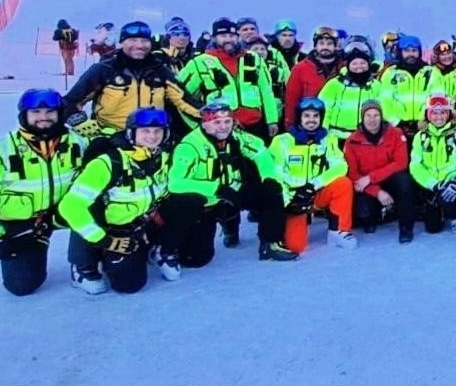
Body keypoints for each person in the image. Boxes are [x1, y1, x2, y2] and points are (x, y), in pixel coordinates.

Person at [0, 89, 87, 296]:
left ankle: (85, 263)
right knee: (21, 285)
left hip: (63, 212)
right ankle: (37, 241)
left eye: (50, 111)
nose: (43, 117)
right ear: (24, 115)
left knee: (97, 207)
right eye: (36, 112)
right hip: (24, 219)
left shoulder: (77, 142)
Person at [154, 101, 296, 279]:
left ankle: (271, 242)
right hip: (206, 202)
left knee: (271, 189)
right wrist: (216, 188)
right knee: (197, 259)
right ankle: (164, 244)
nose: (223, 127)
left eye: (227, 122)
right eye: (217, 123)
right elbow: (175, 183)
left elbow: (259, 150)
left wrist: (268, 176)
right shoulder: (189, 146)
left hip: (234, 192)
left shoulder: (236, 136)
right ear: (205, 123)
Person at [59, 108, 171, 295]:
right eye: (145, 131)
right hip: (110, 230)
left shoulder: (163, 158)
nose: (152, 136)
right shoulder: (109, 162)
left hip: (139, 222)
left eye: (158, 131)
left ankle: (146, 248)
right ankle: (83, 264)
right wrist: (105, 241)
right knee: (128, 285)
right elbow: (70, 206)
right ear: (131, 133)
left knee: (133, 281)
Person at [64, 21, 202, 139]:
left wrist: (214, 115)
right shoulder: (104, 70)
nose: (140, 45)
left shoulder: (160, 71)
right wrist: (78, 120)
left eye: (144, 40)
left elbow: (184, 100)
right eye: (133, 40)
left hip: (151, 138)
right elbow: (70, 102)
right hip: (111, 138)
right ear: (122, 42)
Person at [268, 97, 358, 254]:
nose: (312, 120)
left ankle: (339, 231)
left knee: (343, 183)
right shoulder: (282, 141)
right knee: (296, 247)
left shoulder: (328, 139)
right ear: (299, 118)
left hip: (316, 193)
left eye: (316, 116)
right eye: (307, 116)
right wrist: (290, 200)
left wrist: (313, 185)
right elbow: (275, 174)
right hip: (294, 199)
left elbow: (340, 166)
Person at [178, 19, 279, 142]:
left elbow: (266, 92)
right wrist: (198, 124)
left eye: (232, 35)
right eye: (223, 36)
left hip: (256, 126)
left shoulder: (254, 58)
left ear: (238, 37)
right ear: (214, 38)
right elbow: (181, 95)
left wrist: (272, 120)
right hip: (220, 129)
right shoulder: (199, 62)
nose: (228, 39)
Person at [344, 100, 416, 243]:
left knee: (405, 182)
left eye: (376, 115)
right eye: (368, 116)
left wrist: (371, 177)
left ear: (381, 116)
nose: (372, 120)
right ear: (362, 118)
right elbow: (354, 175)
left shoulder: (395, 133)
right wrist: (377, 192)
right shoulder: (352, 141)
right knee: (364, 216)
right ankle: (383, 212)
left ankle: (406, 228)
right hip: (367, 186)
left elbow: (401, 163)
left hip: (389, 179)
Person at [409, 93, 456, 234]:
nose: (439, 117)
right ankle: (439, 208)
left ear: (449, 113)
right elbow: (415, 165)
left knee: (450, 197)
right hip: (433, 184)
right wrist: (433, 184)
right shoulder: (421, 137)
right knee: (432, 228)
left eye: (443, 112)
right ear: (427, 114)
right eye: (434, 113)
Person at [319, 41, 396, 139]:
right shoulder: (334, 84)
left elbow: (386, 110)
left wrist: (395, 125)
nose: (359, 67)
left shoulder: (376, 86)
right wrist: (322, 136)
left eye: (363, 63)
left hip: (366, 139)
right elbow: (324, 112)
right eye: (354, 63)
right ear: (348, 66)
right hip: (336, 137)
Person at [283, 26, 345, 128]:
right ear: (315, 46)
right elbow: (291, 99)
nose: (325, 47)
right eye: (321, 43)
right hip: (308, 124)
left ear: (335, 46)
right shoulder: (300, 68)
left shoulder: (344, 68)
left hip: (335, 125)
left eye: (329, 44)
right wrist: (290, 125)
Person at [380, 34, 430, 139]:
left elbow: (436, 97)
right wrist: (397, 123)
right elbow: (385, 101)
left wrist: (427, 120)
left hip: (424, 127)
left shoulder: (430, 72)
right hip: (398, 129)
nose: (411, 54)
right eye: (406, 51)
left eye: (414, 51)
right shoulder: (391, 73)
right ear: (400, 52)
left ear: (419, 52)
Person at [245, 34, 287, 127]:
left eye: (262, 49)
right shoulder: (246, 68)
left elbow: (288, 82)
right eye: (255, 49)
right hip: (256, 114)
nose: (259, 52)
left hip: (277, 113)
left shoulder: (277, 68)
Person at [420, 39, 456, 105]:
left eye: (448, 53)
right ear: (437, 57)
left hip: (453, 112)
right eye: (442, 55)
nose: (446, 57)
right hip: (435, 112)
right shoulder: (429, 72)